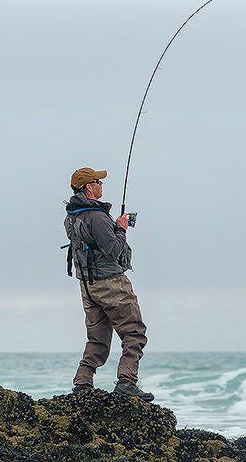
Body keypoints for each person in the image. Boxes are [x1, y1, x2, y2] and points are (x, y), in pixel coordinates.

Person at [64, 167, 153, 402]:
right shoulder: (96, 216)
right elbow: (114, 251)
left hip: (87, 286)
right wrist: (121, 229)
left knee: (97, 337)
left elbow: (93, 242)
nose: (102, 185)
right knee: (134, 332)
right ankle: (126, 382)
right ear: (87, 187)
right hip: (111, 283)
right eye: (98, 182)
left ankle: (82, 384)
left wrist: (113, 228)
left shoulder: (72, 216)